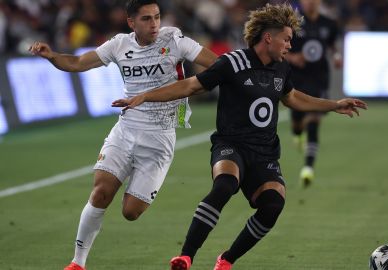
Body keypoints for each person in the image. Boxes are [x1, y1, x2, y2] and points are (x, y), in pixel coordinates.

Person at [112, 4, 367, 270]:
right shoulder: (232, 63)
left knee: (273, 205)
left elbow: (294, 99)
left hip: (264, 152)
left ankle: (226, 260)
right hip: (230, 145)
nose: (290, 45)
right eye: (287, 39)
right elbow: (190, 85)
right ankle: (186, 256)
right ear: (269, 37)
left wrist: (334, 104)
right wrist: (144, 96)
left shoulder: (281, 70)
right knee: (224, 185)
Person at [29, 1, 217, 270]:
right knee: (101, 191)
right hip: (126, 129)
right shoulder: (119, 44)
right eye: (146, 19)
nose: (154, 24)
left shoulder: (174, 39)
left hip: (160, 136)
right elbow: (78, 62)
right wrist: (52, 56)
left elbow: (217, 65)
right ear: (131, 22)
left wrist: (194, 86)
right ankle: (77, 263)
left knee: (131, 212)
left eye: (157, 17)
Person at [284, 0, 342, 187]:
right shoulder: (294, 24)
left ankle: (308, 168)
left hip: (319, 78)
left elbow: (333, 46)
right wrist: (293, 58)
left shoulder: (328, 24)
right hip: (297, 77)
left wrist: (336, 57)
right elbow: (282, 47)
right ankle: (298, 133)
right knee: (298, 123)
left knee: (315, 119)